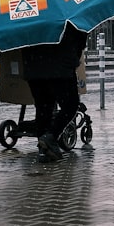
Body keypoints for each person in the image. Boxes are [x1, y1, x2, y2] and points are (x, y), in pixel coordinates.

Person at [21, 23, 88, 162]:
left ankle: (44, 151)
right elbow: (80, 36)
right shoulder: (65, 9)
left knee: (43, 107)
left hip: (33, 65)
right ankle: (50, 137)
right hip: (60, 66)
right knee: (71, 104)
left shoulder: (32, 13)